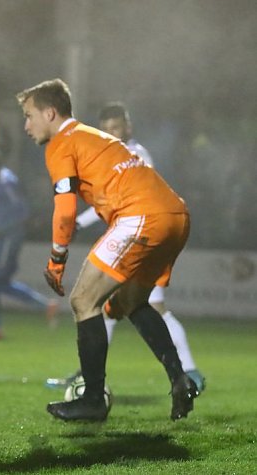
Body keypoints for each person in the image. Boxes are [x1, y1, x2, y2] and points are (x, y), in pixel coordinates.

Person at [17, 78, 199, 422]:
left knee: (83, 301)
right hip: (176, 216)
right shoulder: (94, 136)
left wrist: (57, 258)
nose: (27, 125)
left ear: (50, 112)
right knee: (130, 302)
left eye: (29, 116)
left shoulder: (60, 145)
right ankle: (180, 378)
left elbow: (66, 209)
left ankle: (92, 399)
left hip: (141, 216)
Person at [48, 102, 205, 390]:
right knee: (107, 307)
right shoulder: (111, 153)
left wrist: (78, 223)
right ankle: (90, 372)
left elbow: (134, 195)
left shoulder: (136, 154)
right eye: (106, 129)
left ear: (128, 127)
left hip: (144, 235)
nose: (112, 134)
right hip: (134, 234)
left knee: (149, 306)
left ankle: (190, 371)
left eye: (116, 128)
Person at [0, 153, 58, 341]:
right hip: (0, 239)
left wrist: (1, 229)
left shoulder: (6, 181)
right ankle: (44, 306)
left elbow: (21, 211)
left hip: (8, 239)